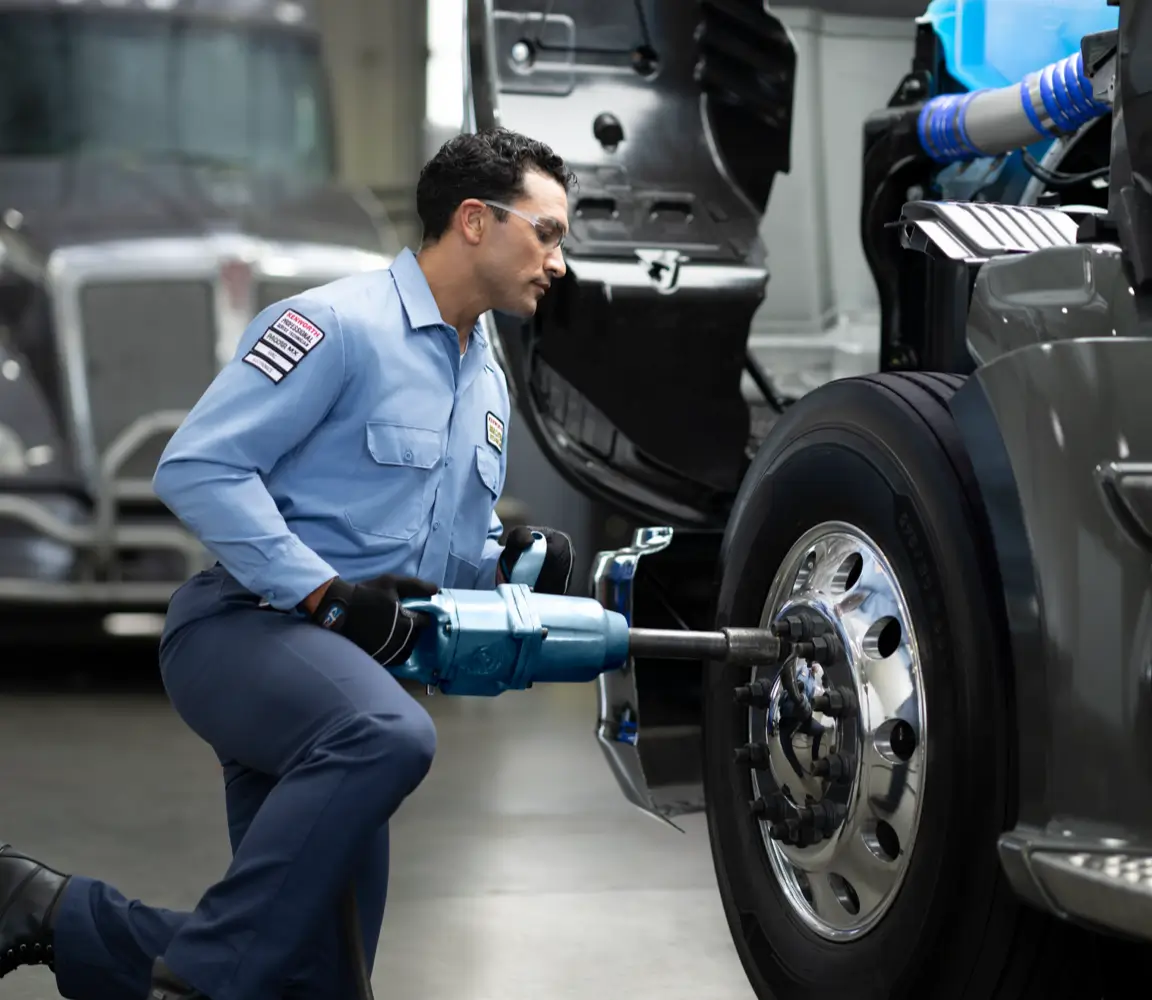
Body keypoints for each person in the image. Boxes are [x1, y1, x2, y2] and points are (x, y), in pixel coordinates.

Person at [0, 126, 577, 1000]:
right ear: (473, 221)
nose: (558, 261)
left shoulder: (482, 376)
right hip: (247, 632)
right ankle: (196, 977)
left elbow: (439, 551)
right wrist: (328, 597)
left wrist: (512, 562)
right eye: (548, 232)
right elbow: (197, 466)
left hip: (345, 673)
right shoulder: (337, 324)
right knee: (390, 735)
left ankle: (45, 910)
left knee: (323, 981)